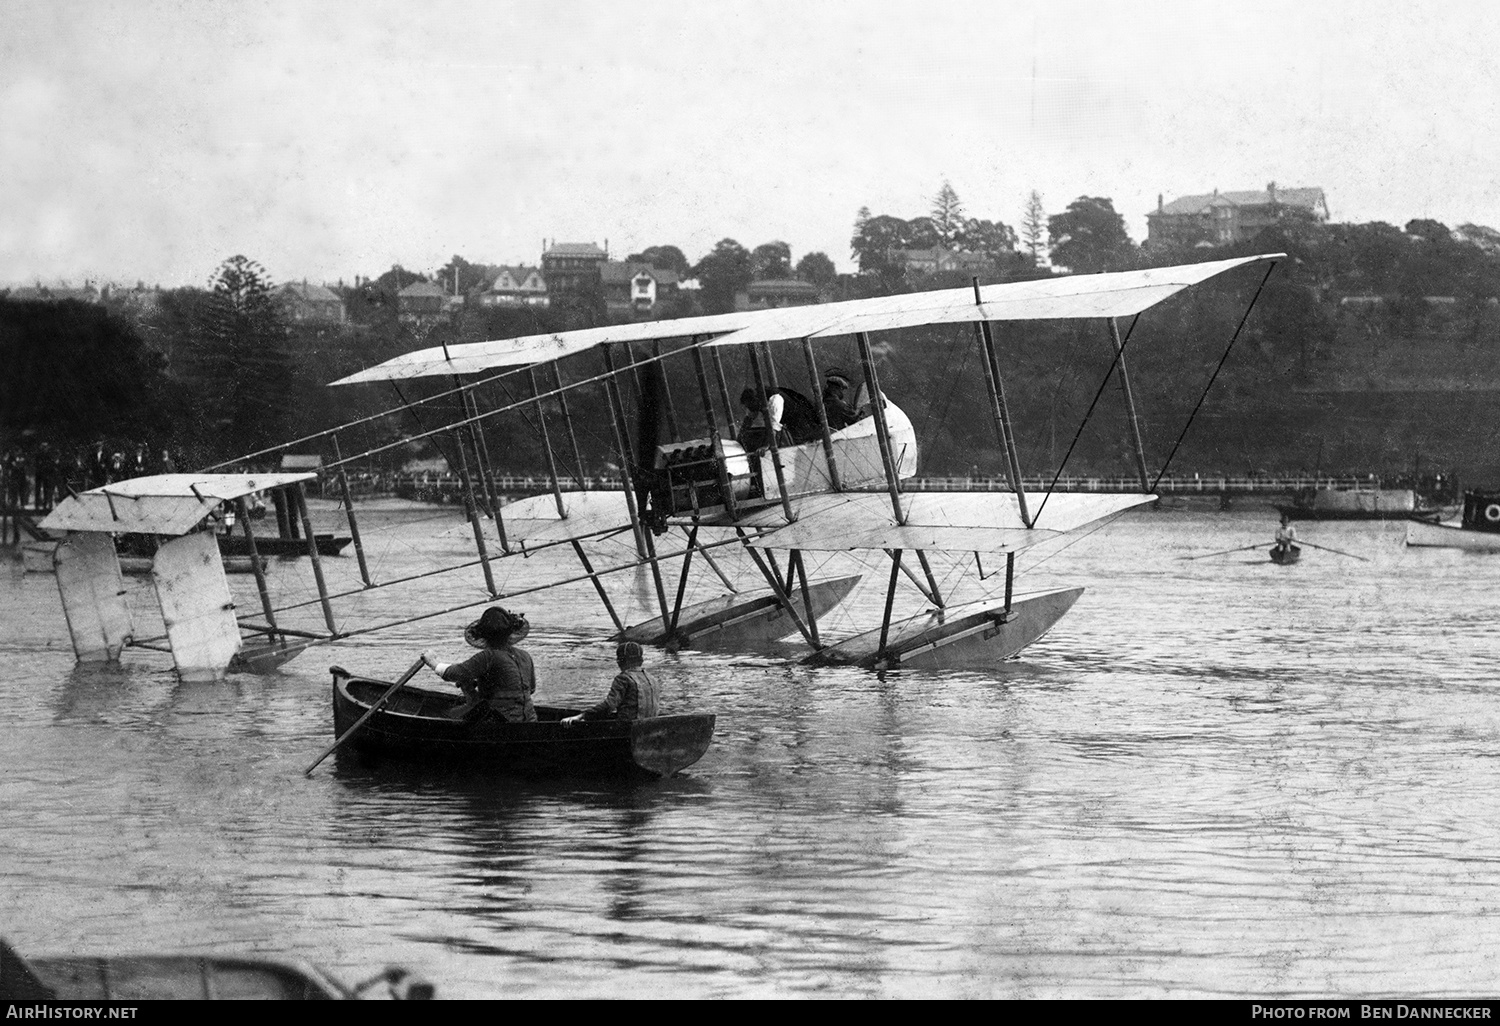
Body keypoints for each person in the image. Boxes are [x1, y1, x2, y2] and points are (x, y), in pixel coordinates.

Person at [421, 607, 537, 722]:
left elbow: (455, 673)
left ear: (484, 635)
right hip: (530, 720)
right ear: (510, 633)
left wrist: (432, 662)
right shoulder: (525, 656)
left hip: (502, 723)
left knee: (450, 714)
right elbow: (530, 689)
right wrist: (480, 684)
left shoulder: (489, 656)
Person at [563, 642, 659, 724]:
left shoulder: (623, 678)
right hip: (649, 728)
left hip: (628, 730)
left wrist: (582, 716)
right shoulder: (652, 679)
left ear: (621, 661)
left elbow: (609, 706)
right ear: (641, 661)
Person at [738, 385, 821, 451]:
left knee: (804, 446)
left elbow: (773, 427)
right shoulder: (756, 399)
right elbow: (749, 418)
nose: (749, 408)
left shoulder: (774, 399)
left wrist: (766, 446)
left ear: (755, 400)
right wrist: (739, 438)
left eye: (749, 405)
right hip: (788, 420)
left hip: (800, 419)